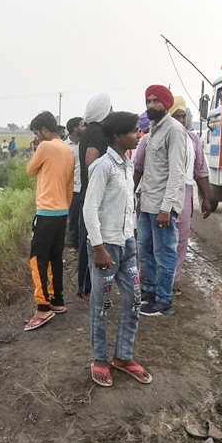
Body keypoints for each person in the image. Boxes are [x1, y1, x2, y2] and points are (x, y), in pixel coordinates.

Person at [84, 111, 152, 388]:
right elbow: (90, 209)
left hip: (126, 243)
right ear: (118, 135)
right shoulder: (103, 167)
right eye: (135, 131)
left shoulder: (126, 164)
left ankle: (123, 356)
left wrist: (132, 231)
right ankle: (100, 360)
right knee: (102, 306)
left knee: (134, 300)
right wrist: (99, 247)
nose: (139, 135)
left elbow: (125, 204)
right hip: (105, 246)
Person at [136, 84, 188, 316]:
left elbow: (176, 172)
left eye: (156, 101)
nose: (151, 105)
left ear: (167, 104)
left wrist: (166, 208)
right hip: (147, 202)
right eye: (148, 101)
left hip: (162, 206)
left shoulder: (174, 130)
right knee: (144, 248)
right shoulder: (153, 130)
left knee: (165, 253)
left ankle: (164, 300)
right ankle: (150, 290)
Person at [23, 110, 75, 331]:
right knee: (55, 257)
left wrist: (37, 148)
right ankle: (57, 300)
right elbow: (70, 186)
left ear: (44, 130)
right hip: (62, 210)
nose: (38, 137)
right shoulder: (68, 150)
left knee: (38, 259)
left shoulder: (45, 147)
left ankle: (43, 307)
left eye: (38, 133)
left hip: (46, 212)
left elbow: (30, 170)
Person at [168, 98, 212, 288]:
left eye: (183, 116)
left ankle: (173, 281)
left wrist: (206, 198)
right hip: (159, 193)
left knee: (181, 238)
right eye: (175, 116)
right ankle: (153, 281)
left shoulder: (192, 139)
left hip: (184, 193)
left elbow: (200, 170)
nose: (180, 120)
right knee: (158, 239)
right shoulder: (152, 136)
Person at [76, 93, 113, 301]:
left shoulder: (91, 131)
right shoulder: (97, 132)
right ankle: (87, 289)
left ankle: (88, 287)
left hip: (88, 194)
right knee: (89, 243)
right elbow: (91, 160)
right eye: (110, 108)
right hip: (92, 195)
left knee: (88, 241)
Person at [65, 117, 85, 249]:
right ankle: (73, 244)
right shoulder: (64, 146)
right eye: (82, 125)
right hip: (72, 187)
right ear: (75, 128)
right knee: (73, 217)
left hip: (85, 186)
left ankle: (80, 244)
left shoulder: (86, 143)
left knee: (83, 218)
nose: (85, 128)